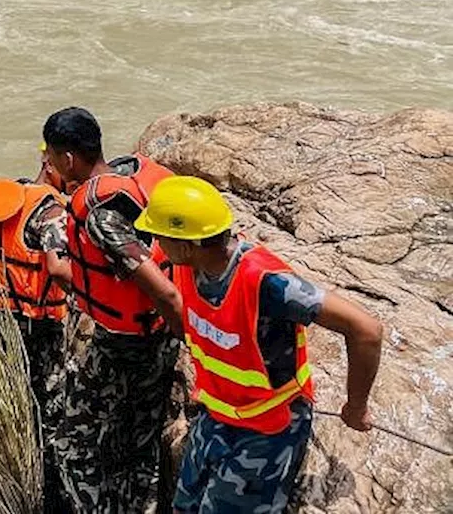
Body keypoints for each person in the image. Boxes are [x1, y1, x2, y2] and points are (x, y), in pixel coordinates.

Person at [135, 176, 383, 514]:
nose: (156, 244)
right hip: (219, 413)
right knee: (184, 506)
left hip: (269, 425)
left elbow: (365, 330)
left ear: (187, 244)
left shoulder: (265, 284)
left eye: (161, 236)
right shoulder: (188, 268)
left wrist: (356, 407)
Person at [42, 106, 183, 514]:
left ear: (68, 159)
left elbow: (165, 292)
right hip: (153, 338)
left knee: (71, 446)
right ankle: (141, 504)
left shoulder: (102, 215)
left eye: (51, 155)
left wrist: (187, 337)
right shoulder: (133, 172)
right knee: (139, 437)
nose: (48, 163)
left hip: (126, 344)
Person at [0, 168, 71, 514]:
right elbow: (60, 268)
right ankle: (51, 496)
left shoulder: (3, 195)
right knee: (50, 410)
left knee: (13, 402)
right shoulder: (51, 212)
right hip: (39, 325)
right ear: (61, 162)